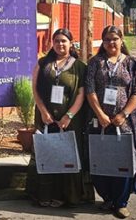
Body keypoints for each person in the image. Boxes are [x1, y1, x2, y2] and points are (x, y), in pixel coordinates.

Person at [85, 25, 136, 219]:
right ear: (102, 42)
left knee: (123, 163)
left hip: (125, 123)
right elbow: (90, 89)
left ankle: (121, 202)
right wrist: (100, 114)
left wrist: (123, 114)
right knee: (100, 162)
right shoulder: (95, 63)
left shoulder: (132, 64)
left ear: (122, 40)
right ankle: (107, 198)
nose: (111, 43)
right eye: (106, 39)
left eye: (114, 39)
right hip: (100, 123)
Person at [25, 28, 95, 207]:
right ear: (52, 43)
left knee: (67, 156)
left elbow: (81, 94)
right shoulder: (43, 63)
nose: (60, 44)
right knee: (46, 155)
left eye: (64, 41)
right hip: (46, 118)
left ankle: (66, 196)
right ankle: (44, 195)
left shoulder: (79, 67)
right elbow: (35, 90)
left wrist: (69, 115)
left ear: (71, 43)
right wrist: (43, 111)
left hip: (70, 120)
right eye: (57, 41)